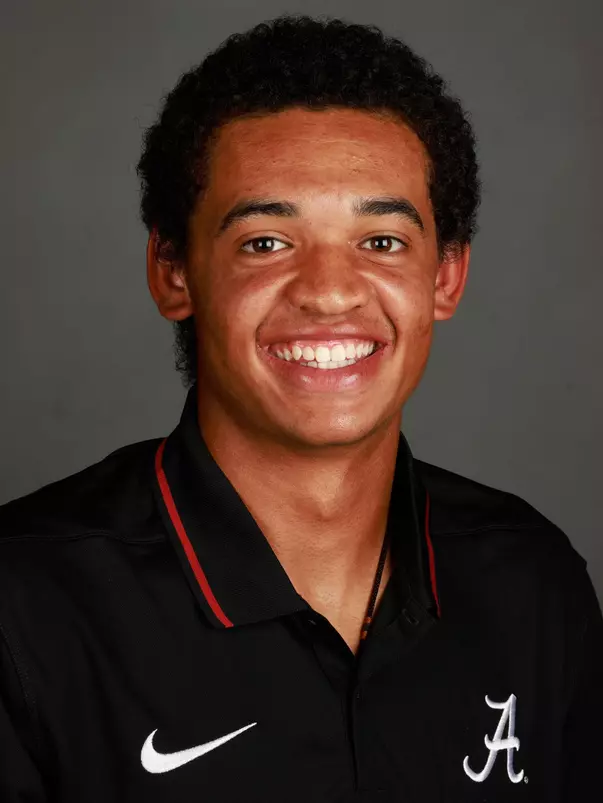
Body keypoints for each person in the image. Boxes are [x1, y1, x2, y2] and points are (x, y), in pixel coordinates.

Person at [1, 13, 601, 802]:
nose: (328, 290)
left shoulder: (532, 582)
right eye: (265, 242)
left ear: (446, 276)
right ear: (172, 270)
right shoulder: (25, 606)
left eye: (381, 240)